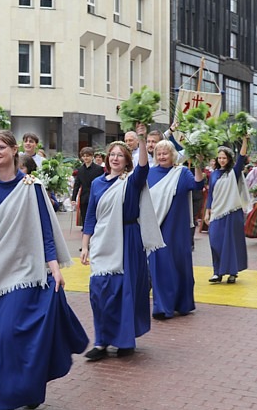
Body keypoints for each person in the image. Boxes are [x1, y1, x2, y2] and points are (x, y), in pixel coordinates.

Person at [0, 129, 88, 410]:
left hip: (23, 273)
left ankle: (22, 391)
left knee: (12, 334)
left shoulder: (30, 186)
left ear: (13, 150)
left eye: (0, 148)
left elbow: (46, 229)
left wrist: (55, 267)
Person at [80, 123, 162, 361]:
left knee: (123, 291)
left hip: (128, 239)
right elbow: (91, 217)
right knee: (99, 291)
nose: (115, 158)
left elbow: (144, 167)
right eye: (112, 155)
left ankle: (124, 340)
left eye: (120, 155)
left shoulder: (132, 181)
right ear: (107, 159)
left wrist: (142, 138)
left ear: (127, 160)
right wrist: (85, 245)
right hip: (103, 240)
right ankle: (101, 341)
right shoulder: (97, 183)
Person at [147, 140, 204, 319]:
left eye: (166, 153)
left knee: (180, 265)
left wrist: (199, 164)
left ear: (173, 155)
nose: (162, 156)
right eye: (159, 154)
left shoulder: (182, 172)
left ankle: (183, 303)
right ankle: (163, 306)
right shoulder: (148, 173)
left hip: (178, 228)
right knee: (160, 265)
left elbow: (197, 185)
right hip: (157, 228)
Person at [204, 136, 250, 284]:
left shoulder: (233, 172)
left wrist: (244, 141)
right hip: (217, 212)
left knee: (230, 243)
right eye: (219, 158)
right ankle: (217, 271)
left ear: (229, 159)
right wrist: (207, 210)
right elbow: (211, 193)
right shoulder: (214, 174)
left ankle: (232, 272)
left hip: (232, 211)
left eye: (224, 158)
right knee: (215, 241)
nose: (222, 160)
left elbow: (242, 157)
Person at [71, 146, 104, 228]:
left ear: (92, 156)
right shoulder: (80, 170)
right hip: (84, 197)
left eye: (88, 156)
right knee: (84, 216)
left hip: (96, 196)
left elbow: (102, 183)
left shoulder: (99, 169)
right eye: (84, 156)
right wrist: (73, 198)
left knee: (96, 216)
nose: (85, 158)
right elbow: (77, 185)